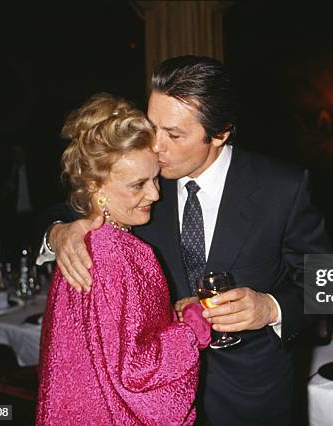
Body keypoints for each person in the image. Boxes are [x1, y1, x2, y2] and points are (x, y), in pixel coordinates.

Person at [37, 57, 332, 425]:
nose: (156, 146)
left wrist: (271, 308)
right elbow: (62, 208)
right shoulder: (141, 182)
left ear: (220, 132)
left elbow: (328, 282)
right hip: (149, 407)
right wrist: (58, 233)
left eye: (174, 135)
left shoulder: (282, 187)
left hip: (251, 401)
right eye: (152, 126)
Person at [36, 93, 211, 425]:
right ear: (94, 186)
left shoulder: (90, 243)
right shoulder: (114, 254)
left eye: (155, 178)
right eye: (138, 185)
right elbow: (136, 374)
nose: (155, 194)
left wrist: (168, 318)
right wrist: (190, 328)